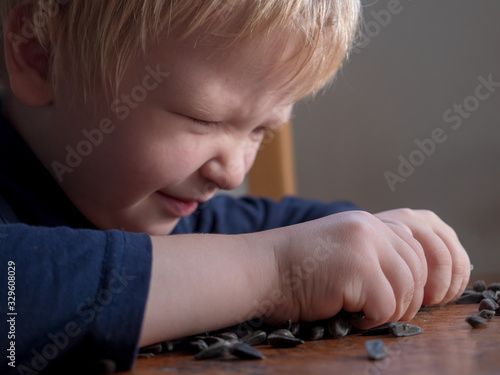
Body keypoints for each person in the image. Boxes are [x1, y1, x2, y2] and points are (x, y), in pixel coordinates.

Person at [0, 0, 470, 373]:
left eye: (261, 131)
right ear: (39, 53)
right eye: (202, 118)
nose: (232, 175)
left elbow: (305, 230)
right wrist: (274, 272)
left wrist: (375, 237)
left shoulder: (169, 210)